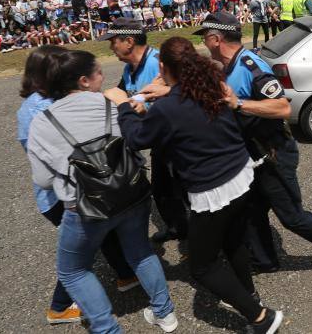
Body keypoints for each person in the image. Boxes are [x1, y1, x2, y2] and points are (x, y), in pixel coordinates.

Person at [107, 37, 284, 334]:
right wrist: (160, 93)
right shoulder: (210, 85)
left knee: (201, 266)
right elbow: (184, 102)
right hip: (241, 175)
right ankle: (248, 293)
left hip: (212, 189)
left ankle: (260, 317)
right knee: (233, 240)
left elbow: (137, 138)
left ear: (163, 66)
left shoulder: (169, 108)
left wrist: (125, 105)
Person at [175, 12, 312, 274]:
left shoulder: (251, 67)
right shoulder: (228, 66)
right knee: (252, 210)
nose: (204, 45)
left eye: (205, 39)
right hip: (254, 154)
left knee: (292, 217)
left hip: (274, 153)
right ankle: (265, 260)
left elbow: (281, 108)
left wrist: (239, 104)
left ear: (215, 38)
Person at [26, 50, 178, 334]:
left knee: (73, 270)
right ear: (84, 80)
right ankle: (164, 312)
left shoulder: (42, 122)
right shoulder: (112, 105)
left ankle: (107, 329)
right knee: (141, 252)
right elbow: (135, 141)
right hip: (132, 194)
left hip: (85, 208)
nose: (102, 77)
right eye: (98, 72)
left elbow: (44, 180)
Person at [17, 45, 140, 325]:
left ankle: (125, 274)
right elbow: (48, 171)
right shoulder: (41, 110)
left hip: (85, 186)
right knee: (78, 255)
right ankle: (59, 307)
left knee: (104, 231)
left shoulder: (46, 102)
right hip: (64, 194)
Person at [97, 18, 188, 243]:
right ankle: (178, 228)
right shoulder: (129, 69)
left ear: (129, 41)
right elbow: (120, 96)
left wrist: (141, 105)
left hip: (178, 143)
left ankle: (202, 240)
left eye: (113, 42)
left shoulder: (161, 63)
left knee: (186, 191)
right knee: (161, 190)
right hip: (158, 141)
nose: (111, 47)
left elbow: (185, 99)